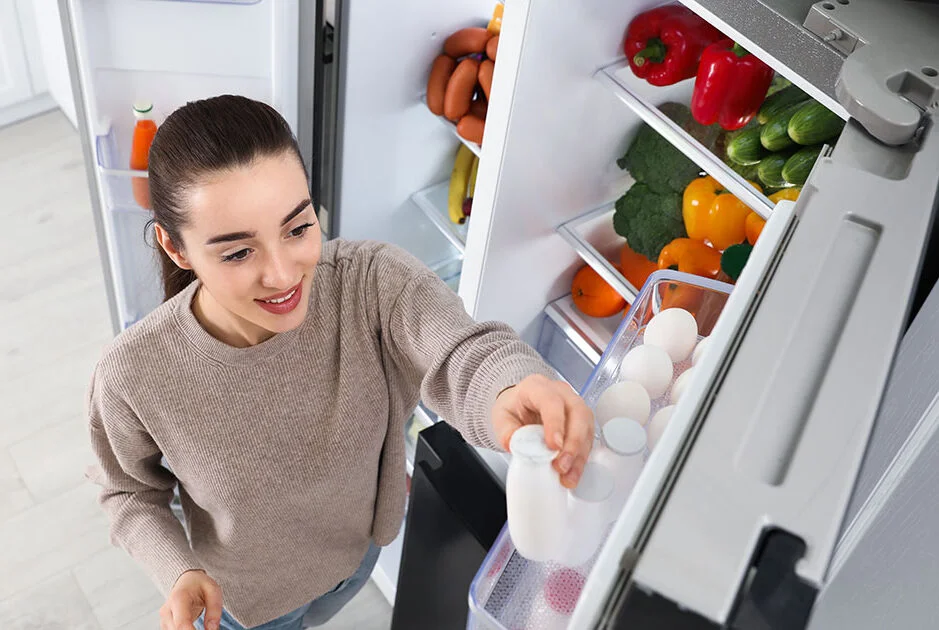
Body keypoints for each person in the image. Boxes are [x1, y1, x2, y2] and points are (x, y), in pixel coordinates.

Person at [85, 95, 594, 630]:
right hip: (245, 606)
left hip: (357, 559)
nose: (283, 274)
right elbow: (128, 490)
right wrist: (178, 571)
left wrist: (509, 389)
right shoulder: (133, 374)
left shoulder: (369, 282)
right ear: (176, 248)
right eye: (238, 252)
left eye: (298, 227)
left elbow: (462, 352)